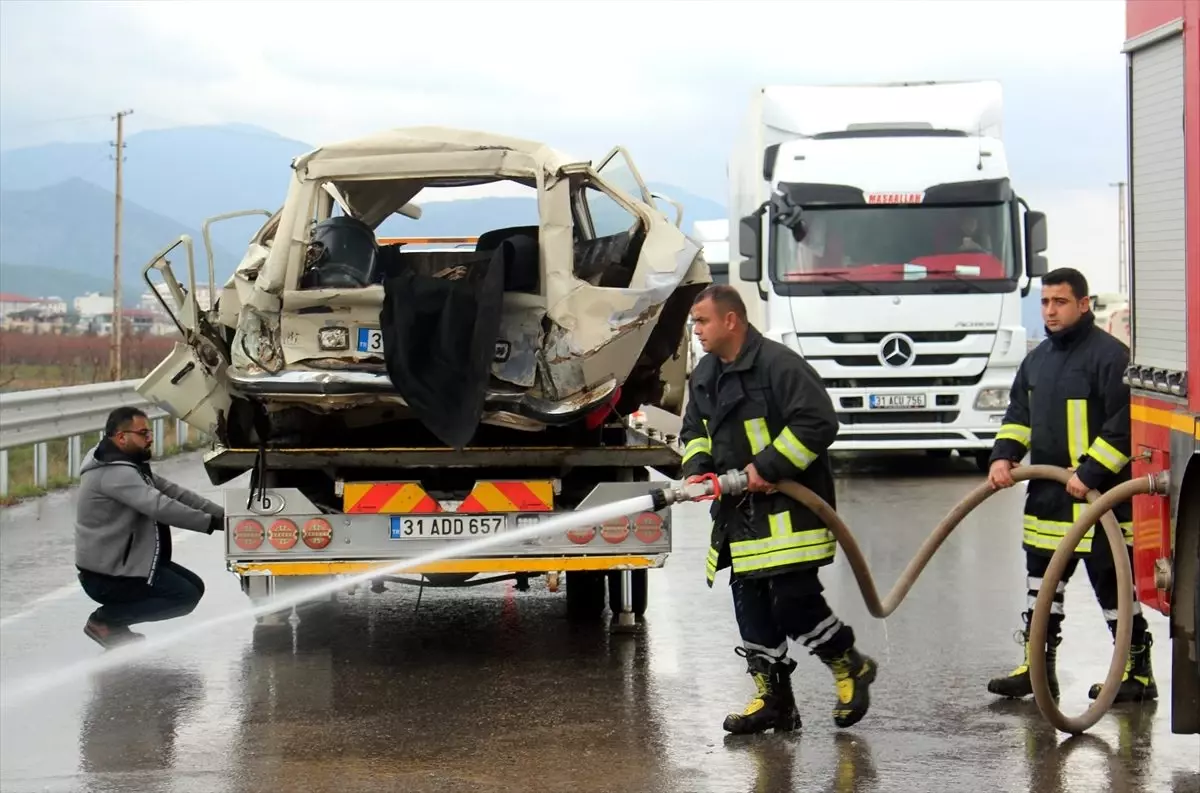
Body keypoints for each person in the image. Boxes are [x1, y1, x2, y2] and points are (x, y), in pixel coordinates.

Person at [680, 284, 877, 734]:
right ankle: (775, 702)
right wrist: (697, 469)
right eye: (695, 322)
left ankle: (850, 665)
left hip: (790, 513)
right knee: (751, 610)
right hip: (738, 517)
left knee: (793, 604)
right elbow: (695, 429)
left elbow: (818, 421)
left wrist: (767, 467)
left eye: (703, 321)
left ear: (732, 320)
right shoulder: (705, 374)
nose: (697, 330)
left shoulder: (778, 365)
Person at [985, 267, 1156, 703]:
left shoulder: (1111, 357)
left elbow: (1124, 427)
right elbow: (1018, 416)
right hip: (1049, 499)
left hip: (1101, 503)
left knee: (1114, 592)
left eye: (1059, 302)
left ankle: (1136, 672)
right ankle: (1036, 671)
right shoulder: (1037, 359)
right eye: (1045, 302)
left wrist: (1090, 474)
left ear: (1083, 305)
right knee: (1041, 591)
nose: (1050, 310)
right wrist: (1003, 456)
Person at [74, 407, 225, 648]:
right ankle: (107, 621)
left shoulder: (125, 464)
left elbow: (175, 493)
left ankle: (112, 623)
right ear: (121, 437)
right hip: (109, 576)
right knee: (185, 595)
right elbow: (160, 506)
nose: (150, 438)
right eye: (143, 433)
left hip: (124, 564)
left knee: (193, 587)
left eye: (150, 432)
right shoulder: (113, 473)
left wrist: (225, 516)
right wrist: (211, 523)